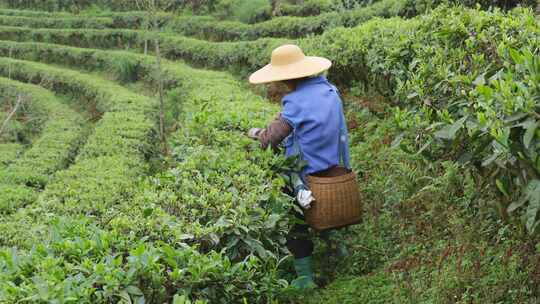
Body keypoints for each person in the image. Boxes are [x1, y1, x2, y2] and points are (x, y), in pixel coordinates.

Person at [247, 44, 351, 289]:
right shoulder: (329, 90)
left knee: (296, 222)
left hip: (308, 174)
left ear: (287, 77)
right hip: (335, 166)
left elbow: (271, 138)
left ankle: (305, 278)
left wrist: (257, 133)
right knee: (328, 215)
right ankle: (340, 255)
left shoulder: (296, 101)